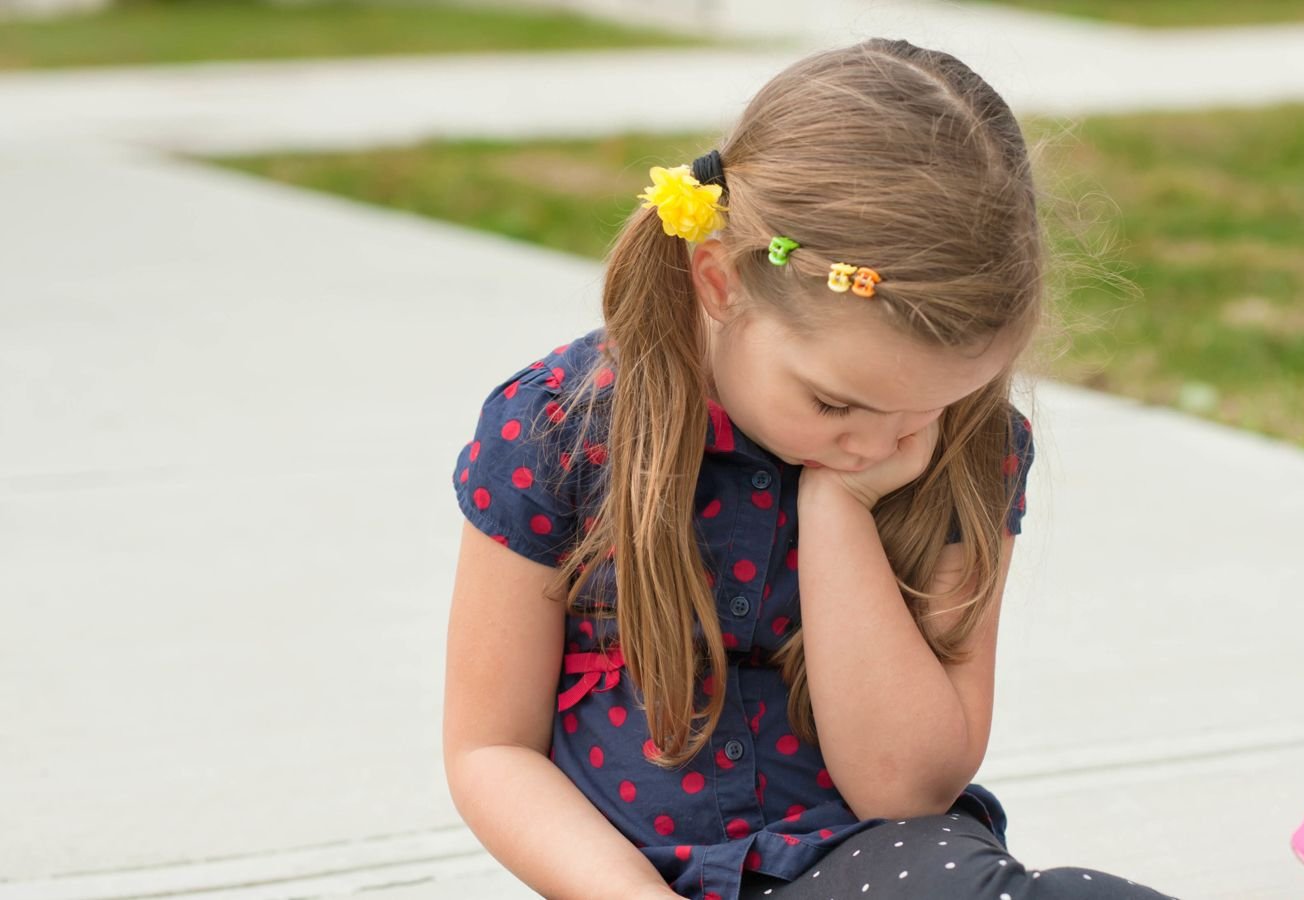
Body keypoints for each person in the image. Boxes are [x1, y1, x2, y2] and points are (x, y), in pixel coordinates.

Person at [442, 36, 1178, 900]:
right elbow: (490, 748)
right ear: (721, 283)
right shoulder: (562, 430)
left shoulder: (965, 450)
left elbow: (904, 787)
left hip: (871, 867)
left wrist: (841, 511)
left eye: (926, 409)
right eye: (836, 406)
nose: (880, 444)